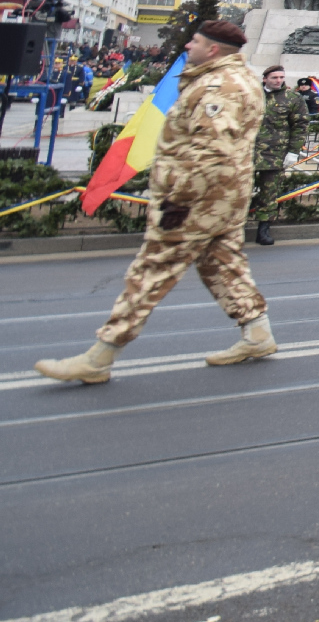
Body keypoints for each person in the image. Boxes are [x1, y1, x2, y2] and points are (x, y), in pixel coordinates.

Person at [37, 21, 274, 385]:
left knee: (151, 271)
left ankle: (100, 357)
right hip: (224, 196)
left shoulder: (219, 86)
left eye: (194, 41)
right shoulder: (234, 78)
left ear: (212, 49)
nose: (187, 46)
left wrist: (179, 199)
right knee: (222, 264)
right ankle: (258, 335)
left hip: (198, 199)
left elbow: (211, 151)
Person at [251, 63, 309, 245]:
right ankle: (235, 228)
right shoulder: (252, 95)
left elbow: (300, 126)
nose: (279, 81)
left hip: (275, 153)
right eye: (274, 78)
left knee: (269, 193)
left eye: (281, 77)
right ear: (265, 79)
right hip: (247, 153)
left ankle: (263, 229)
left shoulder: (292, 98)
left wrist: (293, 151)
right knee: (240, 191)